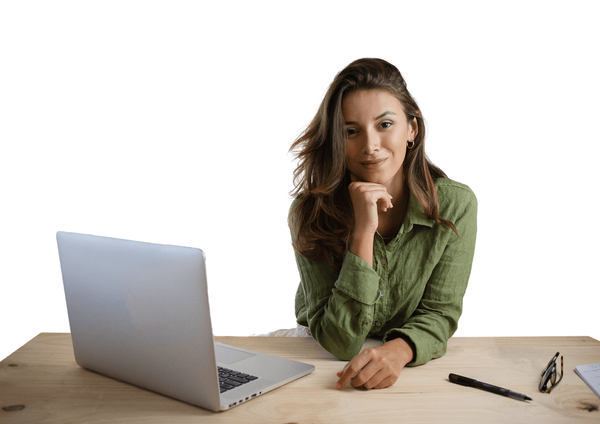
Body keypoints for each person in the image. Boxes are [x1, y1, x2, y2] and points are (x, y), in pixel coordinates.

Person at [288, 58, 477, 391]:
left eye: (384, 124)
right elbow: (339, 342)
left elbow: (440, 313)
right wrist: (363, 232)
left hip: (409, 365)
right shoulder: (308, 213)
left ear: (412, 130)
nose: (370, 146)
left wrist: (399, 351)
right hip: (319, 360)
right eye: (351, 131)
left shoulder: (455, 205)